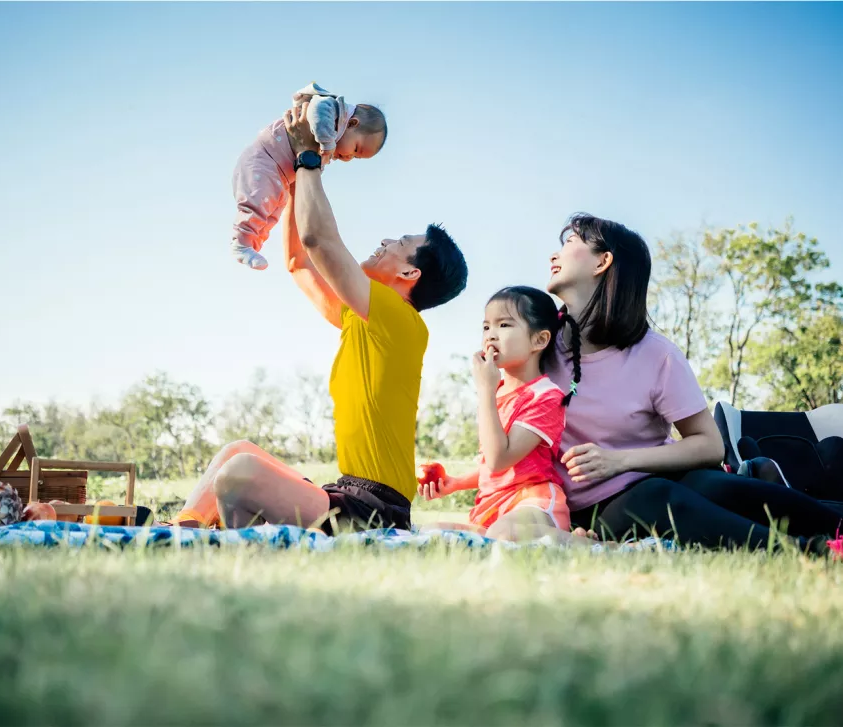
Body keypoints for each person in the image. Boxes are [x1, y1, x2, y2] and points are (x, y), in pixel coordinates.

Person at [171, 100, 465, 533]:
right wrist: (293, 174)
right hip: (346, 493)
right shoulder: (364, 318)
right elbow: (299, 262)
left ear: (409, 274)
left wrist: (309, 157)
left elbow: (318, 240)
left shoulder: (400, 320)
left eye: (401, 242)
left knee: (240, 474)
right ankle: (181, 531)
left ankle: (232, 546)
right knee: (237, 453)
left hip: (377, 509)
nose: (386, 240)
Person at [545, 212, 843, 555]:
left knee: (715, 486)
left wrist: (619, 461)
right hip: (593, 508)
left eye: (570, 243)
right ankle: (811, 552)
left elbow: (709, 445)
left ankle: (836, 524)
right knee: (656, 496)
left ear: (603, 261)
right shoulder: (536, 344)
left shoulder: (656, 354)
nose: (554, 255)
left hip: (655, 479)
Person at [418, 286, 583, 542]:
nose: (491, 335)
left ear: (539, 340)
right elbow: (493, 469)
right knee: (431, 533)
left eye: (504, 325)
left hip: (532, 501)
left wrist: (485, 390)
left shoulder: (546, 397)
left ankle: (592, 545)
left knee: (503, 534)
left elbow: (500, 459)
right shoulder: (496, 393)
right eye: (486, 327)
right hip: (492, 506)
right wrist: (456, 483)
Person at [230, 83, 386, 271]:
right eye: (355, 149)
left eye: (355, 158)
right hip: (264, 159)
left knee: (273, 211)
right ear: (352, 123)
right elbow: (317, 110)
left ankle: (253, 244)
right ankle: (241, 243)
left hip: (281, 176)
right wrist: (327, 145)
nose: (348, 158)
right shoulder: (332, 110)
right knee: (257, 203)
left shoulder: (332, 135)